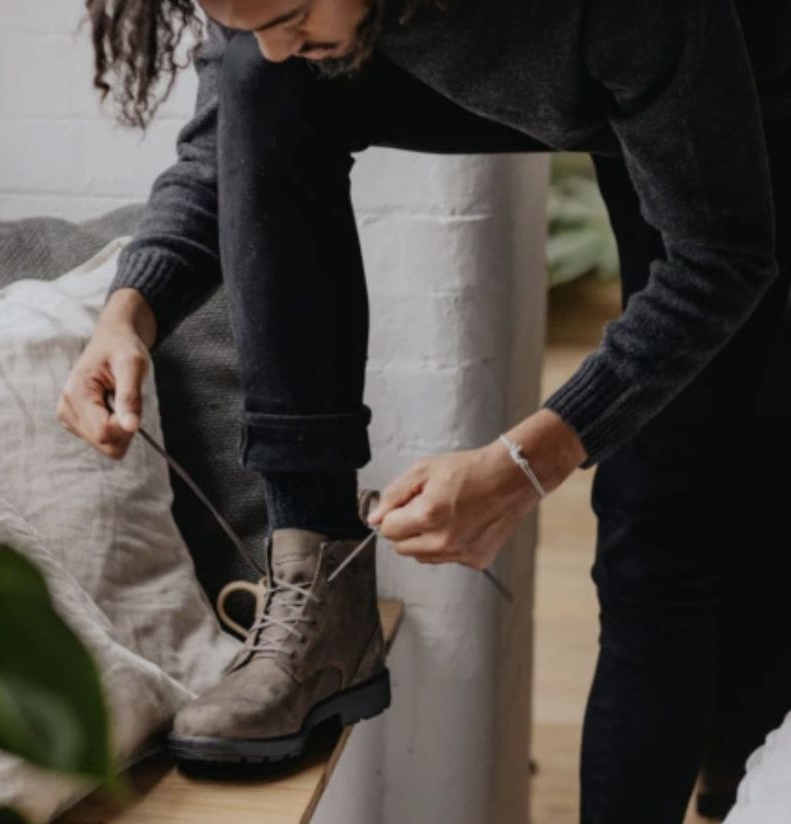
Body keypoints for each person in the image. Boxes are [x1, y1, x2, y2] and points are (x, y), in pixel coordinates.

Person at [57, 0, 790, 820]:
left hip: (738, 92)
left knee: (663, 524)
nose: (270, 41)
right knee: (259, 83)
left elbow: (719, 255)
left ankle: (740, 765)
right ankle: (319, 582)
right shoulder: (268, 19)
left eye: (292, 14)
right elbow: (223, 147)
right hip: (596, 58)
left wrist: (525, 463)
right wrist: (130, 311)